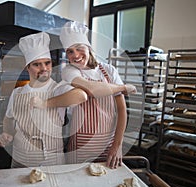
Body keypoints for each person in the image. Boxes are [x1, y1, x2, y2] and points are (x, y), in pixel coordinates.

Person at [31, 21, 136, 169]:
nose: (75, 55)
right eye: (70, 51)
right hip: (81, 144)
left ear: (89, 47)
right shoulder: (69, 71)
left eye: (79, 48)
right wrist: (123, 87)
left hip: (109, 142)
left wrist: (117, 145)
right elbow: (91, 89)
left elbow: (121, 109)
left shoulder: (109, 70)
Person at [0, 32, 87, 168]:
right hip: (20, 160)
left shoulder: (59, 89)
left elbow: (81, 95)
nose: (44, 68)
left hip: (50, 162)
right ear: (28, 67)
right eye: (37, 65)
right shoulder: (17, 93)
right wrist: (7, 133)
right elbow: (8, 119)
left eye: (47, 63)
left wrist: (45, 103)